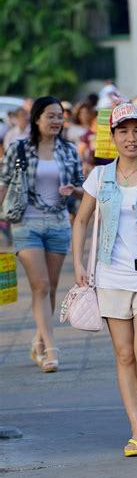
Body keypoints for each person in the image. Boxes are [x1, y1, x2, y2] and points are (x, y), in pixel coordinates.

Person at [72, 103, 137, 457]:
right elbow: (81, 220)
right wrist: (78, 263)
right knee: (123, 354)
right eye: (123, 132)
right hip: (110, 276)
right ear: (113, 136)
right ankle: (136, 430)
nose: (130, 138)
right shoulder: (99, 178)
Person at [0, 96, 84, 373]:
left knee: (50, 288)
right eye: (50, 115)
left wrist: (73, 190)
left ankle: (37, 340)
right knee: (40, 285)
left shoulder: (69, 151)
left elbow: (84, 189)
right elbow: (3, 183)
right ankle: (51, 349)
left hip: (59, 224)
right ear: (36, 118)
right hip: (27, 224)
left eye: (60, 116)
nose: (57, 121)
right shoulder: (19, 149)